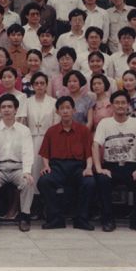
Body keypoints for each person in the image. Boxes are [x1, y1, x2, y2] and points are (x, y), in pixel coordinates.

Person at [93, 90, 136, 233]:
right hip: (110, 166)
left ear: (128, 105)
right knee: (102, 179)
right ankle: (108, 219)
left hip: (130, 166)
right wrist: (99, 168)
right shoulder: (105, 123)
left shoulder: (135, 123)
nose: (120, 105)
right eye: (117, 103)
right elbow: (95, 145)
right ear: (112, 105)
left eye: (123, 103)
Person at [37, 96, 95, 230]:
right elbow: (45, 153)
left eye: (68, 108)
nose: (65, 111)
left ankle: (81, 219)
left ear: (74, 110)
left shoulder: (83, 130)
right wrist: (46, 166)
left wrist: (88, 168)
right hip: (57, 167)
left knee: (89, 182)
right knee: (44, 181)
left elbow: (89, 153)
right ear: (57, 112)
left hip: (78, 167)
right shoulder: (51, 131)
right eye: (62, 108)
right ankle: (56, 218)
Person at [0, 94, 35, 232]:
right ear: (0, 110)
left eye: (10, 107)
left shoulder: (24, 130)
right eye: (3, 107)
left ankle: (24, 217)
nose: (6, 110)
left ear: (16, 109)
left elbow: (27, 152)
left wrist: (27, 172)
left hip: (18, 168)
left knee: (28, 182)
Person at [26, 72, 58, 192]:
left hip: (48, 139)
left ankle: (47, 196)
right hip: (31, 139)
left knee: (47, 167)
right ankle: (33, 195)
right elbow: (24, 123)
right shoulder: (27, 102)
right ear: (32, 86)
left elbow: (56, 122)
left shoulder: (53, 102)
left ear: (46, 85)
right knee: (32, 167)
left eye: (42, 83)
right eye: (36, 83)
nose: (39, 86)